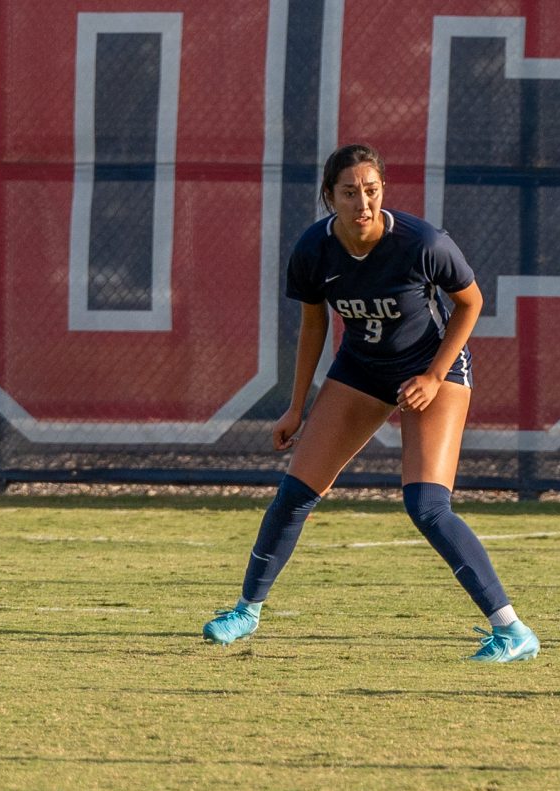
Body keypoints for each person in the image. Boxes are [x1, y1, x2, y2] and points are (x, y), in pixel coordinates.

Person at [203, 143, 540, 662]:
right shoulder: (315, 249)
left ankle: (512, 631)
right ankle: (246, 611)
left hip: (434, 368)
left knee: (426, 505)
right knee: (295, 492)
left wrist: (432, 375)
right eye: (349, 192)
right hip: (360, 369)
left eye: (371, 189)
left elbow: (470, 302)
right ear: (328, 196)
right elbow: (314, 324)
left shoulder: (422, 241)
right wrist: (297, 406)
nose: (362, 201)